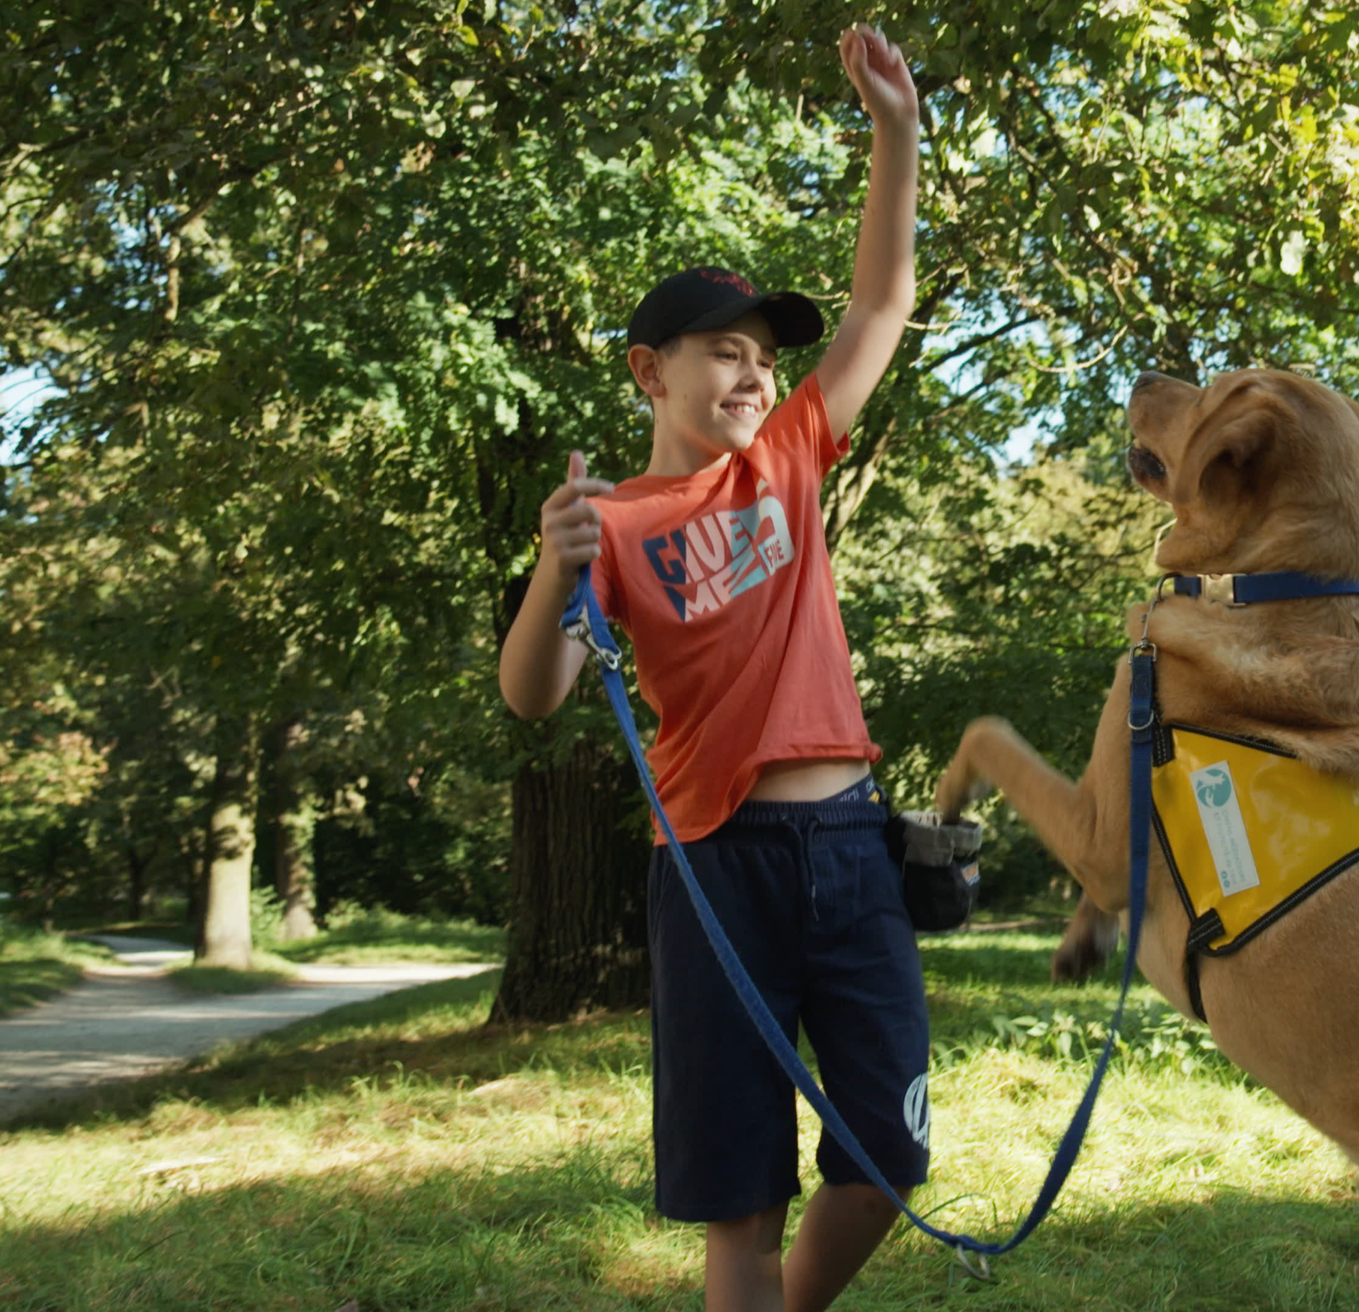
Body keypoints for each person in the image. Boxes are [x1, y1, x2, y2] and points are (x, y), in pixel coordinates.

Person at [498, 24, 924, 1312]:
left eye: (764, 354)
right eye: (725, 349)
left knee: (887, 1160)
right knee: (738, 1197)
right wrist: (551, 569)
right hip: (711, 866)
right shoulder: (608, 525)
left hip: (852, 851)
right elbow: (536, 695)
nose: (756, 370)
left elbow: (880, 306)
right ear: (652, 370)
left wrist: (895, 136)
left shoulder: (790, 455)